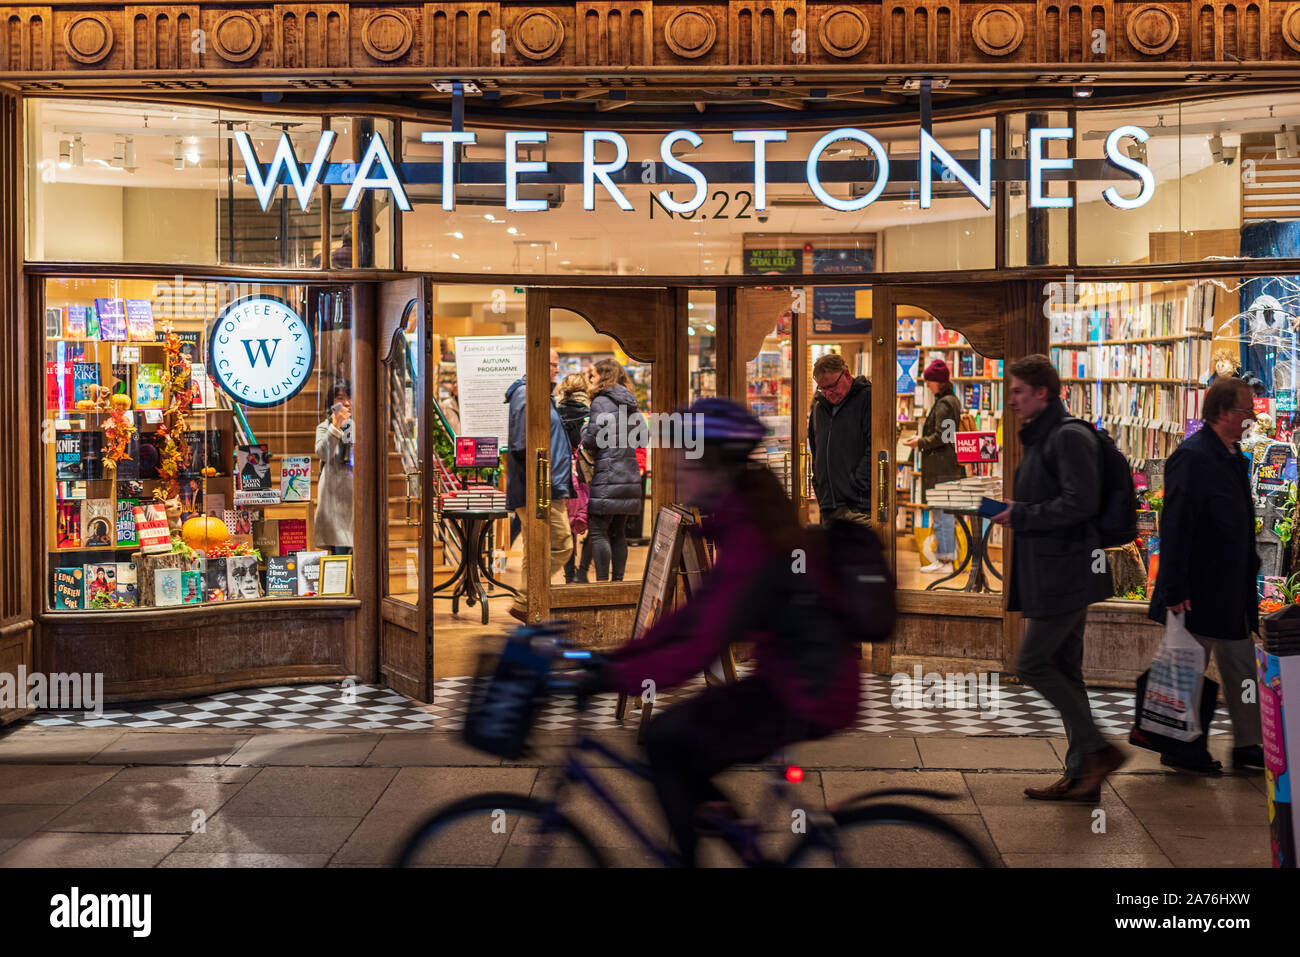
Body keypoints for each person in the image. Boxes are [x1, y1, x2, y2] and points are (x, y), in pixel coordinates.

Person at [576, 398, 861, 866]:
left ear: (713, 464)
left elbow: (699, 646)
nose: (679, 474)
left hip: (807, 690)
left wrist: (613, 677)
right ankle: (737, 840)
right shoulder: (743, 513)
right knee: (679, 749)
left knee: (668, 740)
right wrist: (618, 660)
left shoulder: (750, 531)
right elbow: (691, 618)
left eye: (687, 463)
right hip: (800, 678)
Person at [992, 354, 1123, 802]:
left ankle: (1099, 749)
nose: (1011, 400)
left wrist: (1020, 513)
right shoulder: (1044, 437)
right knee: (1066, 669)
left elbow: (1079, 502)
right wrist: (1017, 509)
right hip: (1052, 570)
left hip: (1066, 574)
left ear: (1041, 392)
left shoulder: (1066, 437)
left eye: (1017, 391)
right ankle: (1081, 774)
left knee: (1031, 663)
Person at [1148, 376, 1265, 774]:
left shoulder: (1231, 454)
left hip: (1230, 589)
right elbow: (1176, 522)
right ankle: (1181, 746)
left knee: (1242, 667)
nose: (1251, 416)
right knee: (1186, 666)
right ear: (1223, 413)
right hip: (1197, 587)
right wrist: (1175, 586)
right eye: (1246, 410)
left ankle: (1249, 743)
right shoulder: (1194, 456)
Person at [505, 350, 573, 622]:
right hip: (539, 488)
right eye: (553, 365)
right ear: (538, 364)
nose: (557, 370)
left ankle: (528, 605)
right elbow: (523, 445)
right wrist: (541, 484)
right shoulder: (526, 393)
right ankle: (526, 598)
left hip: (544, 485)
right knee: (562, 544)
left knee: (536, 548)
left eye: (557, 365)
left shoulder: (540, 394)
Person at [579, 359, 644, 582]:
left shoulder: (600, 402)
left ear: (604, 376)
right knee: (619, 533)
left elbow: (591, 440)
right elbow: (642, 438)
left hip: (607, 473)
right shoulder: (631, 402)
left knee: (598, 531)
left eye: (594, 375)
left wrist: (584, 428)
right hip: (630, 474)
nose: (591, 379)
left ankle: (602, 585)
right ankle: (617, 584)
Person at [902, 359, 965, 574]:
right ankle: (944, 559)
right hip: (945, 467)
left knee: (942, 516)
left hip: (942, 470)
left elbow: (944, 437)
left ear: (938, 382)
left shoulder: (945, 403)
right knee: (942, 515)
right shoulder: (950, 401)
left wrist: (919, 442)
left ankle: (945, 561)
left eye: (929, 381)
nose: (927, 385)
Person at [807, 353, 871, 526]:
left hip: (858, 507)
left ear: (847, 375)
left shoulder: (867, 399)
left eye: (832, 386)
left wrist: (858, 483)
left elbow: (877, 446)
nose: (828, 393)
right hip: (830, 507)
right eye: (822, 388)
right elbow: (816, 449)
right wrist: (819, 484)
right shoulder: (819, 408)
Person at [556, 373, 592, 583]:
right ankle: (582, 573)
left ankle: (569, 574)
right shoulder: (589, 413)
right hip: (584, 475)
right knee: (592, 523)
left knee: (567, 526)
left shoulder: (557, 412)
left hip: (562, 474)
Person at [314, 381, 354, 556]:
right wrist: (336, 426)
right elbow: (323, 453)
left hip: (354, 500)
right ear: (332, 403)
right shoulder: (324, 428)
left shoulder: (359, 426)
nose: (346, 403)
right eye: (340, 398)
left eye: (349, 397)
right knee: (339, 553)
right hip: (334, 499)